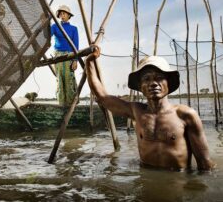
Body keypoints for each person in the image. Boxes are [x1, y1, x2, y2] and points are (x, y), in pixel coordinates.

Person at [86, 45, 215, 171]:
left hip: (178, 182)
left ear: (168, 83)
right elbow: (102, 97)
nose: (153, 83)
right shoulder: (137, 111)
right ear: (140, 86)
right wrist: (89, 63)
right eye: (146, 79)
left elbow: (205, 164)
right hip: (145, 178)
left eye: (159, 78)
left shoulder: (185, 115)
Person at [51, 5, 79, 107]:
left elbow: (76, 45)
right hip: (58, 56)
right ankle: (62, 104)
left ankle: (71, 104)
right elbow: (46, 35)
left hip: (69, 55)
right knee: (60, 79)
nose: (62, 16)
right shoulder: (55, 26)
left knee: (69, 78)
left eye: (64, 14)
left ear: (68, 15)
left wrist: (75, 60)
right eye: (60, 14)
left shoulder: (73, 29)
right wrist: (44, 22)